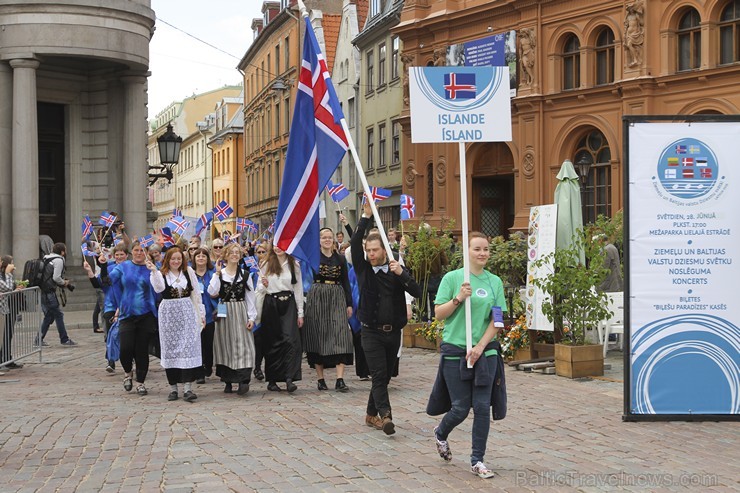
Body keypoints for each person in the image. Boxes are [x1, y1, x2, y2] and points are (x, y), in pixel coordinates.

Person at [428, 231, 507, 479]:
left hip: (485, 352)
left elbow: (498, 319)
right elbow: (439, 313)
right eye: (477, 249)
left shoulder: (494, 282)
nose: (482, 253)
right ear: (467, 251)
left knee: (482, 407)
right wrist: (459, 298)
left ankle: (477, 460)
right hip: (456, 351)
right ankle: (441, 433)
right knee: (461, 408)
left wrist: (482, 345)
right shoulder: (453, 279)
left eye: (486, 249)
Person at [351, 198, 421, 435]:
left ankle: (371, 414)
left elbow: (417, 292)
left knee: (384, 377)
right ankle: (386, 416)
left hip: (394, 332)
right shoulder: (363, 270)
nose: (371, 254)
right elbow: (353, 244)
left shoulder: (395, 269)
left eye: (375, 250)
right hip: (370, 330)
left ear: (384, 250)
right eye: (368, 250)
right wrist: (365, 217)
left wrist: (402, 274)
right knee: (379, 374)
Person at [148, 247, 205, 402]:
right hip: (169, 314)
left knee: (187, 347)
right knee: (171, 349)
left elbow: (196, 294)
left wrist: (201, 313)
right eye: (173, 259)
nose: (176, 261)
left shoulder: (189, 272)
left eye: (179, 259)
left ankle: (188, 388)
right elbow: (159, 288)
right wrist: (154, 271)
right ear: (168, 260)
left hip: (187, 311)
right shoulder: (161, 274)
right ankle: (173, 388)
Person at [303, 228, 354, 392]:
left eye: (329, 237)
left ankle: (340, 379)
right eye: (324, 237)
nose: (327, 240)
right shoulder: (313, 258)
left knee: (340, 334)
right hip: (318, 295)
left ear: (333, 239)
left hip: (337, 295)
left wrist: (349, 303)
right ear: (319, 240)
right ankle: (320, 379)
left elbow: (346, 282)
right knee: (318, 334)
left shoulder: (340, 259)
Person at [108, 241, 158, 396]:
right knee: (126, 348)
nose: (139, 253)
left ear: (147, 253)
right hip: (127, 314)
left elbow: (160, 288)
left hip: (146, 314)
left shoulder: (152, 269)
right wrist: (100, 267)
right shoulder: (124, 267)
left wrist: (155, 272)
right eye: (136, 250)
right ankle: (128, 373)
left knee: (141, 350)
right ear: (131, 252)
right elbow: (107, 281)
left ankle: (141, 383)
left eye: (142, 251)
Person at [207, 243, 257, 395]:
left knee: (244, 344)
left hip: (240, 309)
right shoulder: (220, 274)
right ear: (226, 256)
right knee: (226, 344)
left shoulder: (245, 274)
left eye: (237, 253)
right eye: (231, 253)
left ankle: (243, 380)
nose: (235, 255)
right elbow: (212, 292)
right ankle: (228, 379)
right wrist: (216, 274)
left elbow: (250, 297)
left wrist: (252, 317)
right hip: (225, 310)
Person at [256, 243, 303, 393]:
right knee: (273, 342)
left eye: (281, 245)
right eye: (275, 245)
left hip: (288, 303)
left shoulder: (293, 264)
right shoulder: (266, 263)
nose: (278, 248)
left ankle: (289, 377)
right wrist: (263, 284)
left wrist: (300, 311)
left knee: (290, 340)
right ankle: (272, 379)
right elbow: (260, 289)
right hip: (271, 303)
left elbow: (298, 287)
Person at [37, 242, 77, 346]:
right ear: (62, 252)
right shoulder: (58, 260)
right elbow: (56, 277)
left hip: (43, 290)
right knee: (58, 315)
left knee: (49, 316)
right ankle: (64, 339)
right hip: (49, 292)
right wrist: (64, 283)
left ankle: (38, 339)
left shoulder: (47, 258)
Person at [191, 247, 217, 382]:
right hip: (195, 314)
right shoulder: (190, 274)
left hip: (210, 313)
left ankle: (208, 364)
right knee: (197, 343)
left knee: (208, 343)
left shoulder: (213, 273)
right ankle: (199, 371)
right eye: (198, 256)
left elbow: (221, 294)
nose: (201, 258)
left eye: (203, 256)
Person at [0, 255, 25, 369]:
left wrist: (16, 289)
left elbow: (9, 289)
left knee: (6, 335)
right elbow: (7, 288)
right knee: (4, 335)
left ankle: (6, 358)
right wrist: (8, 273)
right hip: (3, 309)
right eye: (11, 263)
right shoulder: (4, 274)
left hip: (6, 308)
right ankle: (4, 359)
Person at [251, 244, 269, 381]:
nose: (261, 254)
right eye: (259, 252)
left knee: (267, 340)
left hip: (269, 307)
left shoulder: (272, 268)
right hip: (256, 308)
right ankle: (257, 366)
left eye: (264, 251)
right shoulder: (252, 271)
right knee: (258, 340)